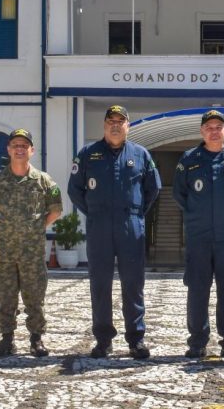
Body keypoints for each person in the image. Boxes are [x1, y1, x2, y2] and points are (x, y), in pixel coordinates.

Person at [67, 105, 160, 359]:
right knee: (100, 285)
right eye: (111, 121)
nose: (116, 125)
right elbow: (75, 190)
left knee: (133, 284)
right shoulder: (88, 154)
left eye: (121, 121)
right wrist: (95, 212)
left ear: (128, 126)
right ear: (105, 125)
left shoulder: (140, 154)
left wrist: (136, 213)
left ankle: (136, 339)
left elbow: (153, 189)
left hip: (130, 226)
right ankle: (103, 340)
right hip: (99, 226)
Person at [173, 109, 224, 359]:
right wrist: (197, 216)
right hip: (199, 237)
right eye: (208, 126)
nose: (213, 130)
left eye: (218, 126)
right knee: (197, 288)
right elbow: (180, 194)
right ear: (201, 131)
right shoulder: (188, 159)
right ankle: (197, 341)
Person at [0, 129, 63, 357]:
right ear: (8, 150)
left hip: (32, 252)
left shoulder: (43, 181)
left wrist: (37, 227)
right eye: (15, 145)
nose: (19, 149)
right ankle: (7, 340)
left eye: (24, 146)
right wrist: (5, 226)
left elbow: (56, 209)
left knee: (35, 296)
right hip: (5, 251)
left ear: (31, 151)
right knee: (5, 296)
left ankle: (36, 339)